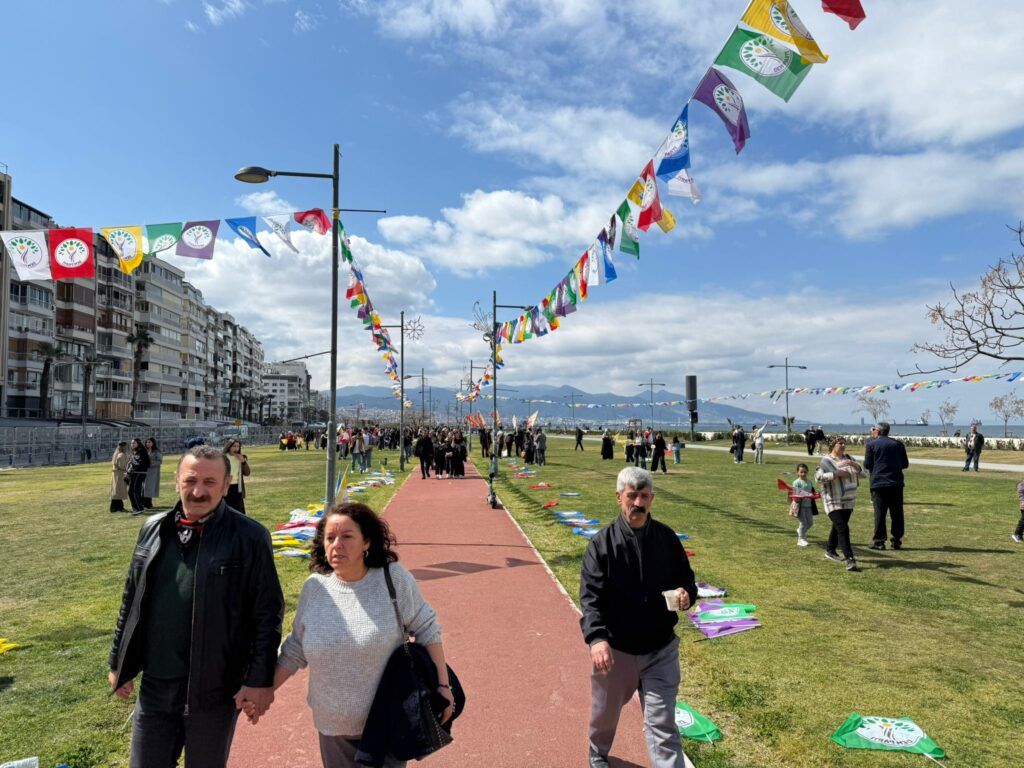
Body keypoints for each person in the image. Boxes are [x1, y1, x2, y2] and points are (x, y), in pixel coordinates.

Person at [107, 445, 284, 768]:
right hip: (156, 688)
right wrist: (119, 660)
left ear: (226, 484)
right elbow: (131, 599)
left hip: (214, 690)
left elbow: (266, 615)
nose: (198, 491)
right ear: (177, 481)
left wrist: (258, 680)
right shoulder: (153, 529)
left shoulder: (250, 536)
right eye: (190, 481)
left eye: (209, 482)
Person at [267, 502, 453, 767]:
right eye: (330, 538)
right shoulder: (315, 588)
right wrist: (264, 691)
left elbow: (427, 628)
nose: (336, 545)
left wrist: (442, 687)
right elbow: (296, 648)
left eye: (347, 536)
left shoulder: (393, 579)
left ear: (367, 542)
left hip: (386, 723)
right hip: (333, 728)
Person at [580, 467, 697, 768]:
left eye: (644, 496)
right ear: (619, 497)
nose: (638, 503)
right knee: (605, 713)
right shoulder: (602, 544)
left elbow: (687, 580)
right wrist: (597, 638)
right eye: (632, 496)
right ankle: (598, 750)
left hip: (660, 649)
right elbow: (591, 597)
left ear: (652, 499)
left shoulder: (667, 539)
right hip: (616, 651)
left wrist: (685, 594)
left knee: (663, 724)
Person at [815, 435, 866, 572]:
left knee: (838, 527)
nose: (843, 446)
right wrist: (836, 473)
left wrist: (854, 465)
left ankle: (830, 550)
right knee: (843, 528)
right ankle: (850, 560)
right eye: (840, 444)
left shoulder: (849, 458)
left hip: (849, 500)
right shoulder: (826, 461)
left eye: (844, 443)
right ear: (832, 446)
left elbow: (864, 474)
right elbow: (818, 477)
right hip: (833, 500)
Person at [862, 422, 909, 551]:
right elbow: (905, 464)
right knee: (897, 513)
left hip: (878, 483)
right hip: (895, 483)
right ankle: (897, 540)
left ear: (877, 430)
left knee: (880, 513)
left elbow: (867, 464)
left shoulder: (871, 444)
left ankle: (879, 541)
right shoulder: (898, 445)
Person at [791, 463, 817, 547]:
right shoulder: (796, 482)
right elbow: (795, 496)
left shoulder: (809, 482)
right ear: (797, 472)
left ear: (807, 472)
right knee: (804, 522)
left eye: (805, 472)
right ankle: (801, 539)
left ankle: (800, 531)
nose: (803, 474)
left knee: (810, 523)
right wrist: (802, 497)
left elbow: (812, 492)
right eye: (801, 472)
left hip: (808, 506)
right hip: (800, 506)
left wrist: (815, 494)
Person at [223, 438, 250, 514]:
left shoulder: (241, 457)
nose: (236, 448)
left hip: (237, 487)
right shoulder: (223, 457)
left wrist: (243, 462)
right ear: (229, 447)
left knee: (239, 511)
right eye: (234, 446)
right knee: (227, 510)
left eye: (238, 446)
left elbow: (247, 473)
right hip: (226, 487)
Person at [127, 438, 151, 515]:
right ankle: (137, 507)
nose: (132, 445)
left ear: (138, 443)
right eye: (131, 443)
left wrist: (131, 469)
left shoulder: (141, 451)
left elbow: (141, 463)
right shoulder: (136, 452)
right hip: (136, 473)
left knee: (132, 491)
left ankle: (138, 508)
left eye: (134, 443)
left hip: (139, 473)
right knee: (134, 491)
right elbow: (133, 463)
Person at [143, 437, 162, 510]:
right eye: (147, 442)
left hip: (152, 472)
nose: (148, 443)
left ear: (153, 443)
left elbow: (159, 461)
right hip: (144, 471)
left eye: (149, 442)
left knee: (149, 487)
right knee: (143, 487)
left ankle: (149, 503)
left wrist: (150, 464)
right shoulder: (145, 451)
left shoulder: (156, 451)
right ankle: (144, 503)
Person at [110, 441, 129, 513]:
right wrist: (127, 470)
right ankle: (117, 507)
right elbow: (121, 466)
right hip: (120, 474)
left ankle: (117, 507)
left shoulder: (117, 453)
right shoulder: (121, 455)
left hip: (116, 474)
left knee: (117, 490)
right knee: (119, 490)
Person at [1014, 478, 1024, 544]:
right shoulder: (1022, 484)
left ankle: (1019, 535)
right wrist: (1023, 501)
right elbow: (1020, 491)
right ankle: (1017, 534)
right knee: (1023, 520)